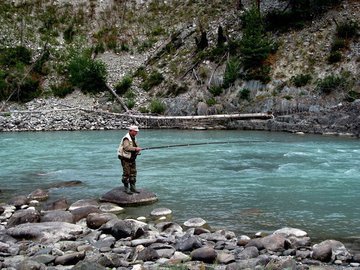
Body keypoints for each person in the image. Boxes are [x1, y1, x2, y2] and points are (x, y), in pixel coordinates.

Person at [117, 125, 142, 194]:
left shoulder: (134, 138)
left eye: (137, 131)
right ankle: (126, 188)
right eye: (135, 131)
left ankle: (133, 188)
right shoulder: (126, 138)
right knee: (126, 174)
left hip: (132, 158)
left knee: (133, 173)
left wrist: (137, 150)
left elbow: (135, 146)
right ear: (130, 131)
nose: (136, 132)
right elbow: (126, 148)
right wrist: (135, 149)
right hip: (125, 159)